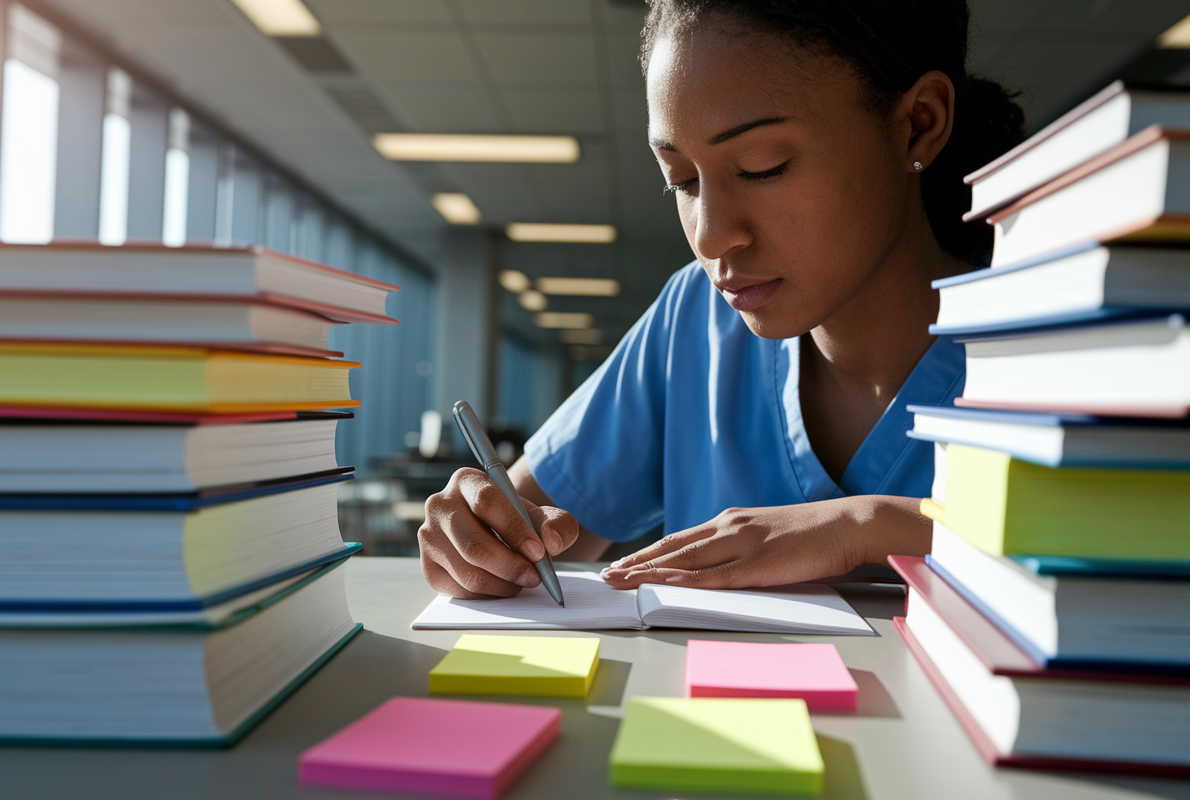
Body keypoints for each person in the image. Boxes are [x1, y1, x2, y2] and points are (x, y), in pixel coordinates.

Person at [418, 0, 1025, 599]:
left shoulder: (1055, 344)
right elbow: (523, 532)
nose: (709, 237)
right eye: (681, 180)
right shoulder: (696, 322)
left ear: (918, 122)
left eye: (763, 166)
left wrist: (872, 526)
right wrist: (476, 534)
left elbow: (1111, 562)